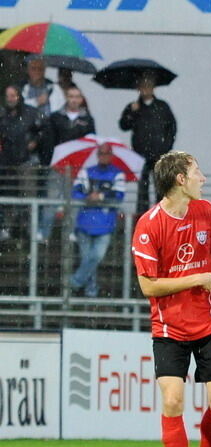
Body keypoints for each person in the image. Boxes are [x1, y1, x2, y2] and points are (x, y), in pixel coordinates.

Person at [130, 151, 211, 447]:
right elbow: (148, 287)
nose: (202, 178)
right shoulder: (149, 225)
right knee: (173, 401)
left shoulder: (206, 212)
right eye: (197, 172)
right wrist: (194, 278)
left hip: (208, 324)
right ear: (180, 180)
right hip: (168, 329)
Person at [39, 86, 96, 242]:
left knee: (75, 202)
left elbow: (90, 145)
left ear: (81, 99)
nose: (73, 99)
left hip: (78, 168)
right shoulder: (56, 117)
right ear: (66, 97)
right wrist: (50, 161)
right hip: (58, 166)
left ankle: (71, 232)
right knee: (51, 201)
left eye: (77, 96)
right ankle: (44, 233)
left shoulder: (87, 120)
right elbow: (49, 142)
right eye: (71, 96)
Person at [69, 144, 124, 298]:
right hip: (85, 222)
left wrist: (101, 197)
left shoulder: (117, 174)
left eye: (107, 154)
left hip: (105, 223)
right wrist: (88, 197)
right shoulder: (86, 172)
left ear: (111, 156)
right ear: (97, 155)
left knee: (95, 257)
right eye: (101, 153)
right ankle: (91, 290)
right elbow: (75, 193)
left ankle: (75, 282)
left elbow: (119, 196)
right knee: (88, 259)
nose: (104, 156)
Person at [120, 76, 177, 215]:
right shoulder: (133, 106)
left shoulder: (162, 106)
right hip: (140, 154)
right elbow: (123, 125)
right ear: (138, 88)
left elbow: (172, 128)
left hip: (159, 154)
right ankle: (142, 217)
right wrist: (131, 113)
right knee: (142, 189)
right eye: (143, 86)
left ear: (153, 88)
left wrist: (166, 148)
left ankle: (162, 216)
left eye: (148, 85)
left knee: (161, 188)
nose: (146, 89)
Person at [0, 85, 44, 241]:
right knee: (8, 194)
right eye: (8, 95)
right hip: (7, 161)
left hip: (27, 161)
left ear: (19, 96)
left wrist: (34, 142)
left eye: (13, 95)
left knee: (29, 195)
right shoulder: (3, 114)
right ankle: (7, 227)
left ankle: (31, 227)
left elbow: (42, 131)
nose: (10, 98)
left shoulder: (31, 113)